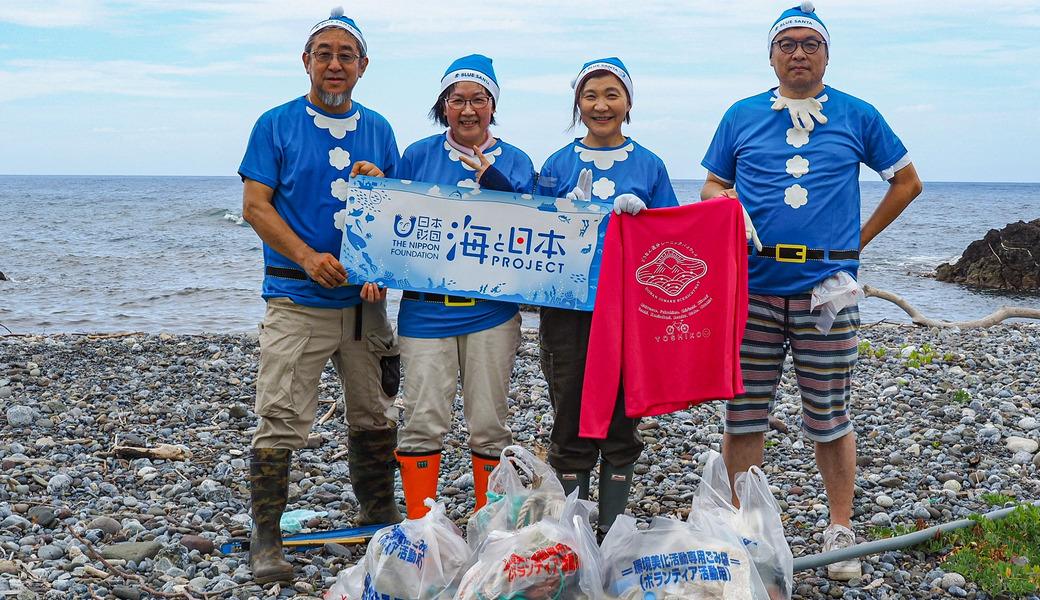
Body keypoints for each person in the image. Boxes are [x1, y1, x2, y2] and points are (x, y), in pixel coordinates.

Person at [700, 1, 923, 581]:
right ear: (771, 54)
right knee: (743, 413)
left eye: (810, 44)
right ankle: (742, 526)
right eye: (787, 44)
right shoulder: (741, 115)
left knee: (828, 412)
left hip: (829, 289)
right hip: (753, 286)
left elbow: (906, 181)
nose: (798, 53)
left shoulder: (857, 114)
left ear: (827, 53)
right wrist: (724, 206)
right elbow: (711, 186)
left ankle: (840, 523)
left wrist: (857, 241)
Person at [238, 8, 404, 585]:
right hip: (295, 300)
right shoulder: (275, 124)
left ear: (363, 65)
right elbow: (255, 206)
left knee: (376, 413)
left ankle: (377, 514)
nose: (335, 64)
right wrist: (307, 258)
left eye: (347, 55)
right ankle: (266, 536)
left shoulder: (379, 127)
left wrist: (381, 199)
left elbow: (398, 215)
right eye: (324, 54)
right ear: (306, 61)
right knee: (280, 416)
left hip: (365, 308)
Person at [388, 55, 535, 519]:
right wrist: (372, 271)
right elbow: (392, 220)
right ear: (443, 107)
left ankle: (489, 526)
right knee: (422, 422)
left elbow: (532, 229)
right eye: (457, 100)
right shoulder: (417, 155)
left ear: (492, 107)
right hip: (425, 313)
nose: (468, 109)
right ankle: (420, 527)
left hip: (492, 312)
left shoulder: (517, 158)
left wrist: (491, 177)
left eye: (478, 99)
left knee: (489, 425)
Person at [536, 57, 678, 536]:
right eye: (590, 95)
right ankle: (572, 531)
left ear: (629, 103)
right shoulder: (556, 164)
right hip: (567, 310)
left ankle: (614, 529)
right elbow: (532, 237)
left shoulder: (650, 164)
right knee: (570, 410)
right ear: (578, 103)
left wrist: (647, 220)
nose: (601, 104)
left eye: (612, 94)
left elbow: (673, 241)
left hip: (631, 312)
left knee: (622, 414)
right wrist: (561, 213)